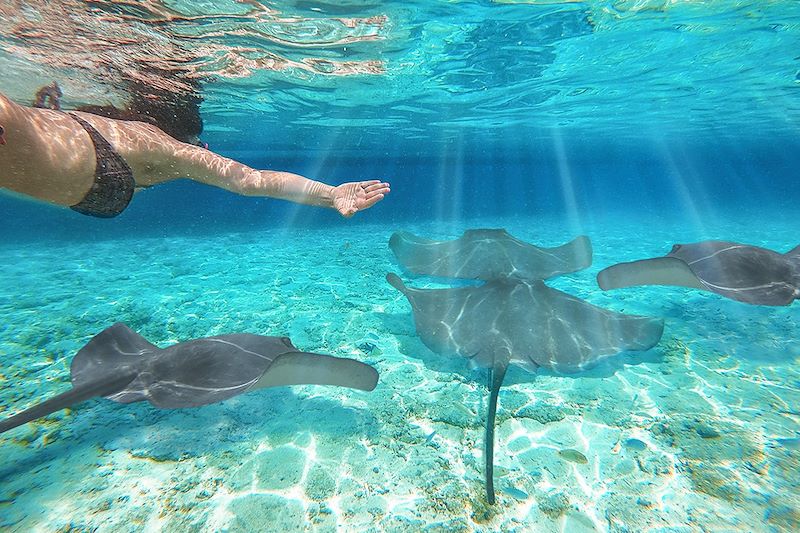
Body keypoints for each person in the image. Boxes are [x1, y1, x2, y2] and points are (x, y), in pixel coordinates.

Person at [0, 91, 390, 218]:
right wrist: (331, 193)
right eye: (198, 144)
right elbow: (250, 180)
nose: (201, 153)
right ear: (184, 135)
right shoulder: (160, 146)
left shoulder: (132, 139)